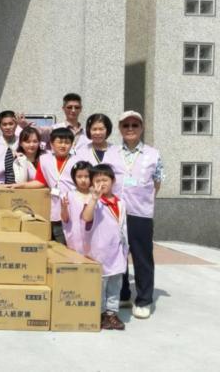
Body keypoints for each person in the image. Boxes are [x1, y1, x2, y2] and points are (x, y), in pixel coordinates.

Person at [104, 110, 163, 320]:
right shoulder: (111, 153)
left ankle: (144, 300)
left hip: (141, 214)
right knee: (117, 254)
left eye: (134, 125)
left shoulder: (153, 154)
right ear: (120, 129)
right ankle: (123, 294)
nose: (130, 129)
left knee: (142, 257)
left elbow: (157, 183)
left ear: (141, 128)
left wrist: (142, 199)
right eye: (126, 125)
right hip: (115, 212)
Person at [9, 128, 78, 244]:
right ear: (51, 144)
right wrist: (21, 185)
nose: (63, 145)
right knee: (58, 243)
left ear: (72, 144)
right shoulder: (45, 159)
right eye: (59, 142)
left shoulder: (78, 161)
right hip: (55, 210)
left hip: (74, 209)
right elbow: (40, 181)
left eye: (67, 142)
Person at [82, 164, 128, 331]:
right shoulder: (93, 202)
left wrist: (125, 250)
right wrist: (94, 198)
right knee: (100, 285)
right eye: (97, 180)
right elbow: (86, 218)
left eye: (105, 180)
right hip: (99, 253)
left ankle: (112, 313)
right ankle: (101, 313)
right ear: (92, 184)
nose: (102, 183)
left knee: (115, 285)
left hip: (116, 253)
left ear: (113, 181)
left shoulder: (120, 202)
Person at [22, 93, 88, 153]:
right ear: (63, 108)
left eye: (77, 107)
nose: (73, 110)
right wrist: (26, 124)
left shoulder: (87, 133)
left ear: (81, 109)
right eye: (69, 107)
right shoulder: (54, 129)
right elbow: (38, 131)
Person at [60, 161, 93, 255]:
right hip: (75, 239)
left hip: (92, 239)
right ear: (74, 178)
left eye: (86, 176)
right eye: (79, 177)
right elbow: (65, 219)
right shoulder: (68, 195)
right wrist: (64, 208)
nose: (83, 180)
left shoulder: (95, 196)